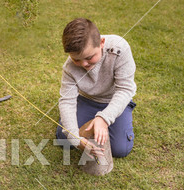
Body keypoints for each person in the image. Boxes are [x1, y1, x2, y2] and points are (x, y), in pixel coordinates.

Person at [56, 18, 137, 158]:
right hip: (87, 100)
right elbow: (67, 101)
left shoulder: (119, 49)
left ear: (101, 43)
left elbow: (125, 89)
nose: (84, 64)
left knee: (120, 149)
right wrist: (76, 140)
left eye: (89, 57)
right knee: (65, 140)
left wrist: (104, 118)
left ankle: (103, 121)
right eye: (76, 59)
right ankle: (88, 120)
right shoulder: (69, 67)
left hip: (115, 100)